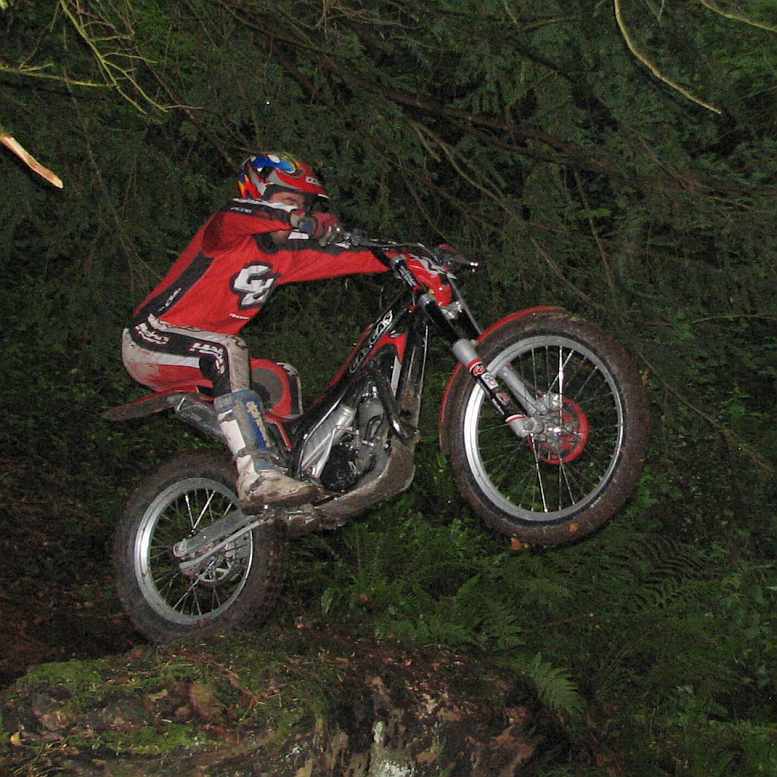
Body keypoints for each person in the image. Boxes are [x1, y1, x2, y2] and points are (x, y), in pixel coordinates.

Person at [122, 152, 390, 513]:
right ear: (257, 192)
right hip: (150, 338)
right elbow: (236, 216)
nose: (299, 212)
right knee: (227, 350)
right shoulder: (224, 234)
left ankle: (292, 476)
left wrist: (418, 258)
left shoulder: (287, 256)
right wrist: (295, 219)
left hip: (204, 355)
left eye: (304, 206)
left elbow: (360, 258)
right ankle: (257, 476)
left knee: (280, 377)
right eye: (289, 200)